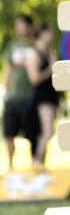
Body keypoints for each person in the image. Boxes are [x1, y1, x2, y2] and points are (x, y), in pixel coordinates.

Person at [2, 13, 38, 172]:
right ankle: (10, 167)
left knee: (33, 134)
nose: (20, 28)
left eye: (23, 25)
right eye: (18, 26)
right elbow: (8, 70)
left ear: (30, 26)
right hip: (13, 98)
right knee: (9, 134)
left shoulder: (37, 46)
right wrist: (6, 91)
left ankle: (35, 166)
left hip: (31, 98)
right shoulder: (13, 46)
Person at [25, 23, 59, 171]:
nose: (52, 37)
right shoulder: (33, 54)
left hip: (50, 96)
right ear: (43, 34)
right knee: (47, 133)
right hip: (42, 98)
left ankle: (40, 164)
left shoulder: (48, 52)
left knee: (47, 133)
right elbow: (34, 78)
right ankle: (36, 162)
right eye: (50, 34)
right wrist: (51, 67)